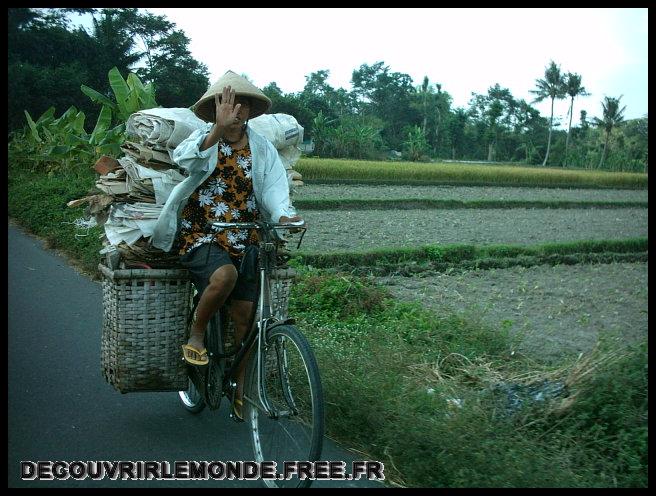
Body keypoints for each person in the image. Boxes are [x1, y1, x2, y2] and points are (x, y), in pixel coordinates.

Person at [150, 70, 302, 420]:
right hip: (202, 231)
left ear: (250, 110)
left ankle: (241, 386)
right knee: (224, 277)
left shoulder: (262, 148)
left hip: (246, 234)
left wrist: (284, 216)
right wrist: (217, 129)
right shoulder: (205, 137)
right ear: (217, 107)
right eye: (230, 102)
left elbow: (276, 191)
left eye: (243, 103)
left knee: (246, 317)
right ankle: (198, 333)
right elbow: (185, 160)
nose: (237, 110)